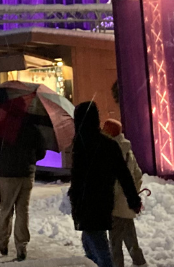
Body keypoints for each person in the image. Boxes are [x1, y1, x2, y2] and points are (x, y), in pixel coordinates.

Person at [68, 102, 142, 267]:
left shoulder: (80, 145)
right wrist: (134, 200)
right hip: (102, 202)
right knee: (90, 245)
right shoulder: (108, 145)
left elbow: (77, 179)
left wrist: (74, 199)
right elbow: (124, 175)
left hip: (86, 205)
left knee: (99, 250)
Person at [0, 120, 47, 261]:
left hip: (6, 174)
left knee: (6, 209)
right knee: (23, 210)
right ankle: (21, 247)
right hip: (27, 174)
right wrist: (30, 160)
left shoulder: (0, 125)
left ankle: (2, 242)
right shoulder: (32, 126)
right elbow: (41, 152)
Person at [102, 118, 147, 267]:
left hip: (115, 206)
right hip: (128, 204)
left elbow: (110, 181)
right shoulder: (128, 152)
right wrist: (133, 193)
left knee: (115, 243)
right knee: (130, 237)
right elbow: (138, 175)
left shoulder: (109, 151)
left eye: (105, 129)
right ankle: (140, 263)